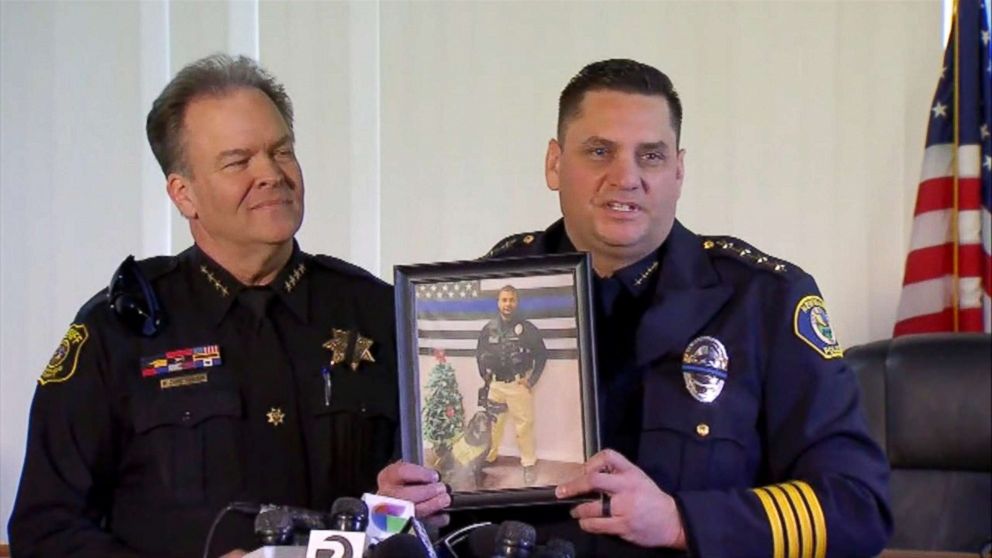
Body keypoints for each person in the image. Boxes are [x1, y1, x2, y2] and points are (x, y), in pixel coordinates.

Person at [383, 59, 892, 557]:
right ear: (555, 164)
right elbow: (423, 490)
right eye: (599, 151)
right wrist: (400, 509)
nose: (625, 177)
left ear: (679, 170)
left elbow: (858, 506)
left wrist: (680, 522)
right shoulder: (483, 294)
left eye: (650, 156)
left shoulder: (763, 301)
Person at [6, 54, 434, 558]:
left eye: (282, 151)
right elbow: (46, 528)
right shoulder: (117, 330)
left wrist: (394, 515)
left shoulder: (379, 312)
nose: (271, 174)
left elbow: (427, 503)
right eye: (238, 161)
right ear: (183, 194)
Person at [476, 285, 548, 485]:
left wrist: (531, 380)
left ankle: (528, 464)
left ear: (516, 302)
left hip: (518, 385)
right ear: (498, 302)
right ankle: (489, 456)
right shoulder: (488, 328)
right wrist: (485, 377)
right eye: (504, 300)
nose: (507, 304)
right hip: (496, 385)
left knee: (524, 426)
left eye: (511, 300)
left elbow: (542, 355)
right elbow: (479, 354)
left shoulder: (528, 329)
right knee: (493, 425)